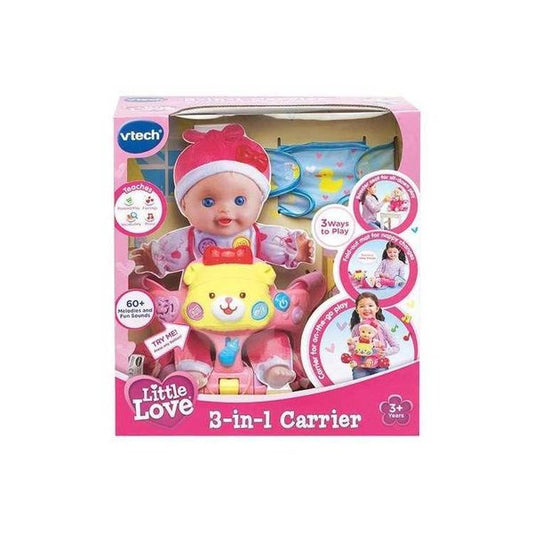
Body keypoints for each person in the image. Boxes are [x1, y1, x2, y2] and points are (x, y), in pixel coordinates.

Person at [131, 124, 314, 277]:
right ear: (184, 205)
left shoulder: (259, 237)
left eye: (239, 201)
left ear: (260, 201)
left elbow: (279, 245)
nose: (225, 210)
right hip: (202, 299)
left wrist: (297, 250)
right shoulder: (187, 241)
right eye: (208, 202)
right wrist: (153, 260)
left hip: (252, 298)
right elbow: (169, 253)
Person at [348, 292, 399, 379]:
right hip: (361, 365)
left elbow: (396, 347)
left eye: (370, 305)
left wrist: (385, 352)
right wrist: (351, 347)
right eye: (362, 306)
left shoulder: (383, 325)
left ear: (377, 308)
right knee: (360, 380)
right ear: (357, 310)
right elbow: (353, 348)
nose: (366, 309)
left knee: (380, 383)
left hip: (379, 364)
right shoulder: (356, 328)